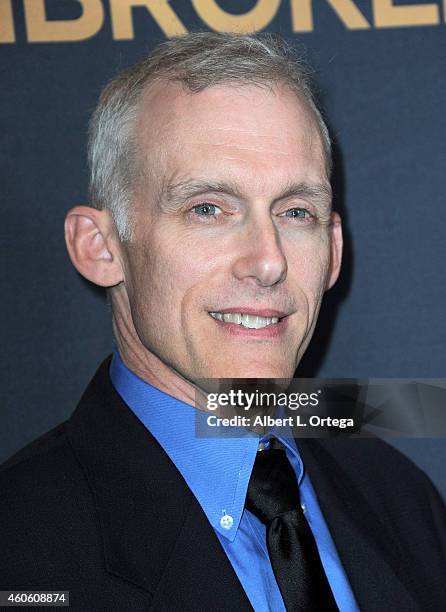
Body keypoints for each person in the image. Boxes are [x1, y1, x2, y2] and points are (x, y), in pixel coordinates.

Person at [0, 32, 444, 611]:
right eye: (207, 209)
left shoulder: (400, 498)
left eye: (295, 211)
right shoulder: (20, 547)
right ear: (101, 247)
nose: (268, 260)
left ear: (333, 251)